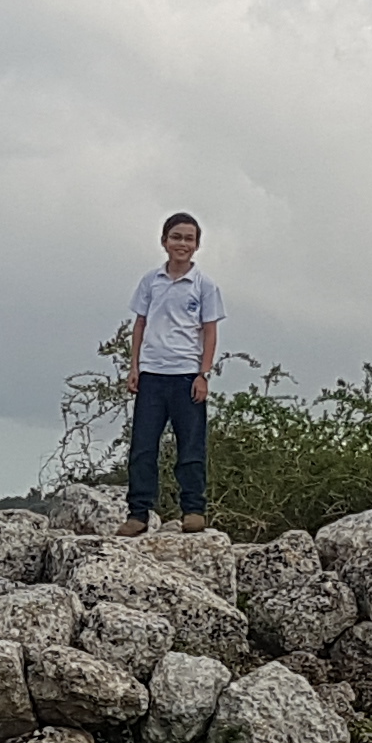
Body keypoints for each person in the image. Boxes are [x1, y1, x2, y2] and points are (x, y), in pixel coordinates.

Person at [122, 211, 223, 531]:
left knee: (190, 447)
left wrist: (203, 374)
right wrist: (134, 366)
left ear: (197, 245)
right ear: (164, 241)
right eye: (176, 237)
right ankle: (138, 513)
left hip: (186, 374)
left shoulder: (204, 285)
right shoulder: (151, 281)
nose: (182, 244)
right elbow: (140, 324)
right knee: (143, 447)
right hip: (152, 374)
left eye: (189, 239)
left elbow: (210, 331)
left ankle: (193, 510)